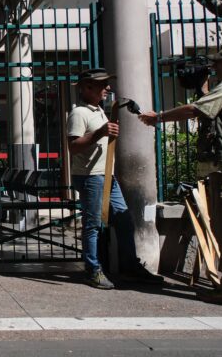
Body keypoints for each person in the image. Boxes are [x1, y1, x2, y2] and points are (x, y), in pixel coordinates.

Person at [139, 45, 222, 308]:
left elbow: (197, 110)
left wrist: (158, 117)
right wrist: (205, 88)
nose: (214, 67)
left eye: (219, 62)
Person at [68, 68, 164, 289]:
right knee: (93, 225)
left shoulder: (100, 111)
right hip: (90, 177)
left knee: (124, 220)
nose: (108, 88)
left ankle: (130, 267)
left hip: (106, 176)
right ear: (87, 87)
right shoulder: (79, 113)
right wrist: (99, 133)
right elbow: (73, 146)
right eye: (103, 84)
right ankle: (92, 270)